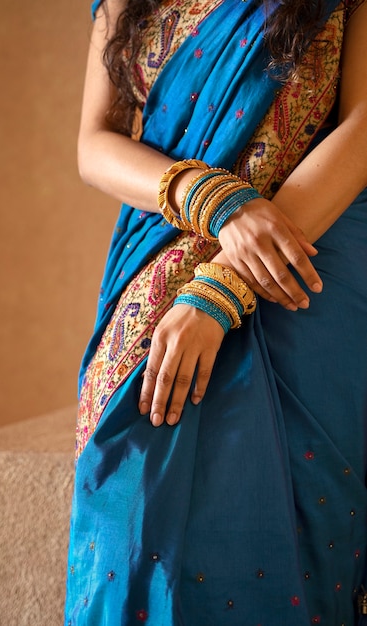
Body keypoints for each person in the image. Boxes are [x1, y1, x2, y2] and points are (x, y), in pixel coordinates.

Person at [65, 0, 367, 623]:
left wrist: (220, 288)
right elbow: (95, 146)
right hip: (159, 258)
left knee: (288, 534)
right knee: (130, 510)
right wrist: (213, 199)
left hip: (305, 268)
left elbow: (363, 129)